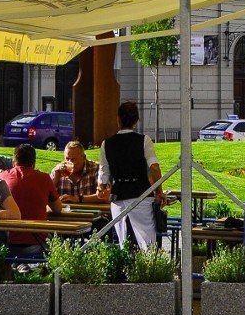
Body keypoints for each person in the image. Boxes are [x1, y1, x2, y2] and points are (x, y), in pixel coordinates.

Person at [98, 99, 163, 249]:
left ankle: (124, 269)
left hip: (119, 195)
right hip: (141, 193)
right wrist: (159, 191)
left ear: (118, 119)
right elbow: (154, 167)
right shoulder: (144, 141)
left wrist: (101, 186)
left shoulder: (106, 143)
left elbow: (104, 172)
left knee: (123, 242)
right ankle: (149, 269)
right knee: (147, 242)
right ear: (136, 120)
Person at [1, 143, 61, 255]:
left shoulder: (2, 178)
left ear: (14, 161)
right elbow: (58, 208)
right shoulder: (44, 178)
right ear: (34, 163)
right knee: (60, 240)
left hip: (6, 242)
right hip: (37, 241)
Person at [52, 140, 109, 205]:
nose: (70, 162)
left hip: (91, 213)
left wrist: (78, 198)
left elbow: (105, 197)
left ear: (84, 157)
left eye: (73, 159)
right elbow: (46, 197)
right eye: (67, 159)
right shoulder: (58, 171)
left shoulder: (96, 169)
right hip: (65, 213)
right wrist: (56, 178)